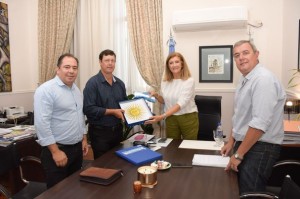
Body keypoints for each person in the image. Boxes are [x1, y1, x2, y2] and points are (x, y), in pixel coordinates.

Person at [221, 40, 286, 194]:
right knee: (239, 189)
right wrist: (231, 141)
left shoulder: (263, 79)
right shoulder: (245, 79)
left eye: (245, 53)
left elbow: (259, 123)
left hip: (261, 146)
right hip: (248, 143)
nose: (241, 58)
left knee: (250, 192)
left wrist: (238, 154)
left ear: (256, 55)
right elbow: (239, 115)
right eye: (237, 55)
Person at [34, 53, 88, 188]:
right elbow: (42, 123)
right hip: (57, 150)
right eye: (67, 67)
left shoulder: (76, 89)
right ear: (58, 69)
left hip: (76, 150)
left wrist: (84, 138)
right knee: (58, 192)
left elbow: (80, 116)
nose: (71, 71)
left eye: (74, 68)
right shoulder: (46, 90)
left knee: (74, 189)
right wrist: (55, 152)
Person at [83, 49, 127, 159]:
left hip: (117, 132)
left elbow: (125, 105)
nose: (110, 63)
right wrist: (112, 111)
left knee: (118, 162)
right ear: (100, 62)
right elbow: (88, 109)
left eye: (113, 60)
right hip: (100, 134)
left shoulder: (120, 84)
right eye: (107, 60)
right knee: (103, 166)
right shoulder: (92, 83)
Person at [145, 52, 199, 140]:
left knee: (189, 147)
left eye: (177, 62)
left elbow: (180, 104)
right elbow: (164, 101)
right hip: (170, 118)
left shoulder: (189, 81)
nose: (174, 65)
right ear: (168, 66)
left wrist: (162, 116)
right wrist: (156, 95)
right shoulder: (165, 82)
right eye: (171, 63)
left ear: (182, 63)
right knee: (172, 146)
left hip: (188, 117)